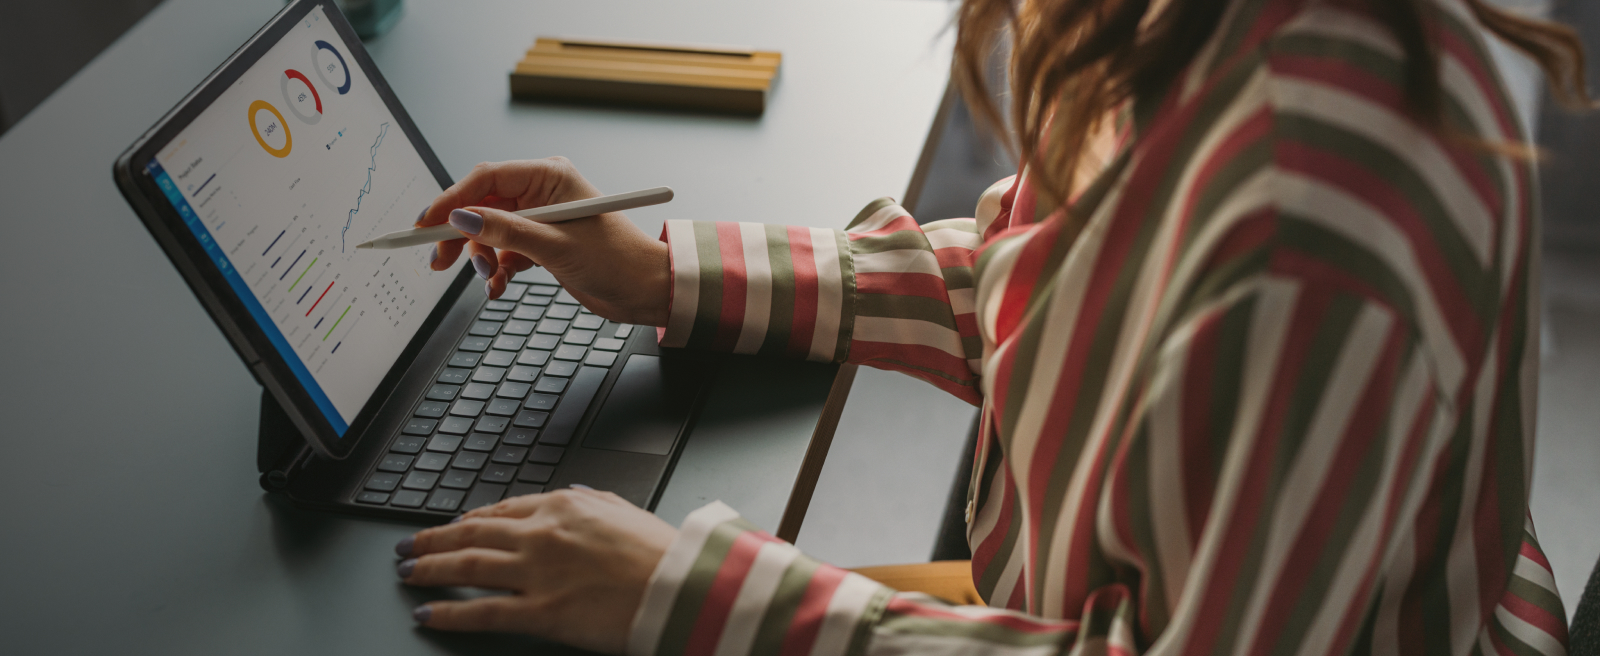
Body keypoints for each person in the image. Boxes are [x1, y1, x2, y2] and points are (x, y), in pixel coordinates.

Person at [391, 0, 1591, 653]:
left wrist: (693, 597)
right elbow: (1029, 277)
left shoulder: (1307, 232)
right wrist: (668, 272)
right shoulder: (1177, 32)